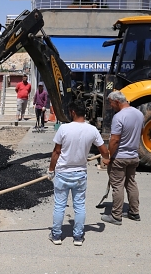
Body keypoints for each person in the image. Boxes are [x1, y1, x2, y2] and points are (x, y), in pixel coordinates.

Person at [48, 100, 110, 246]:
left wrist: (51, 170)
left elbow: (56, 152)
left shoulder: (64, 129)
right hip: (80, 174)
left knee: (59, 206)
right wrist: (106, 159)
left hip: (63, 173)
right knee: (80, 206)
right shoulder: (92, 130)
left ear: (73, 112)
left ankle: (56, 236)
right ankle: (78, 237)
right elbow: (104, 151)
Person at [101, 91, 144, 226]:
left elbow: (114, 139)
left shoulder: (119, 117)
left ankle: (116, 216)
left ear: (117, 101)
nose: (110, 105)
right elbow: (141, 132)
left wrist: (107, 157)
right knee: (131, 183)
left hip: (119, 157)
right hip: (133, 156)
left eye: (110, 102)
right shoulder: (139, 114)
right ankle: (134, 212)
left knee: (117, 185)